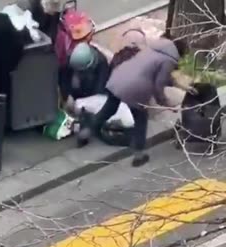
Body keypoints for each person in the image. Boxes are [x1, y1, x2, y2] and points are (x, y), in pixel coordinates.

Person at [77, 37, 188, 167]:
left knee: (108, 109)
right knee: (140, 120)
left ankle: (84, 134)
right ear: (180, 53)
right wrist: (167, 103)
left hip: (119, 78)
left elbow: (159, 75)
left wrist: (181, 86)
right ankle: (139, 156)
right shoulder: (168, 61)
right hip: (135, 89)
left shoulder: (154, 49)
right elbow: (159, 85)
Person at [60, 42, 110, 111]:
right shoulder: (70, 59)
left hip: (90, 93)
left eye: (81, 72)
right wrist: (66, 95)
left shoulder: (101, 64)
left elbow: (98, 91)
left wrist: (84, 104)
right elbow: (63, 78)